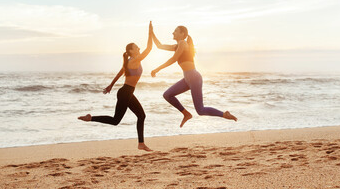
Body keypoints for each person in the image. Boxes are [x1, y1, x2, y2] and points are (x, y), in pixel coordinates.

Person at [78, 21, 153, 151]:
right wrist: (150, 33)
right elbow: (149, 48)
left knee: (141, 116)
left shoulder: (129, 61)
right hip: (126, 92)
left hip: (127, 92)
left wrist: (110, 86)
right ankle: (91, 118)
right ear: (131, 50)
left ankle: (141, 144)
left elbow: (120, 73)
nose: (139, 49)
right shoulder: (134, 60)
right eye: (136, 47)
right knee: (116, 120)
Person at [150, 25, 237, 128]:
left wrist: (157, 69)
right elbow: (159, 46)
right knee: (167, 95)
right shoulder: (176, 46)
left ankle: (224, 114)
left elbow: (174, 59)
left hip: (194, 77)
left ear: (182, 34)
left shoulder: (183, 43)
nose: (173, 33)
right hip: (187, 79)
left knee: (200, 110)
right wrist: (151, 33)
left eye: (175, 31)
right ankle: (186, 114)